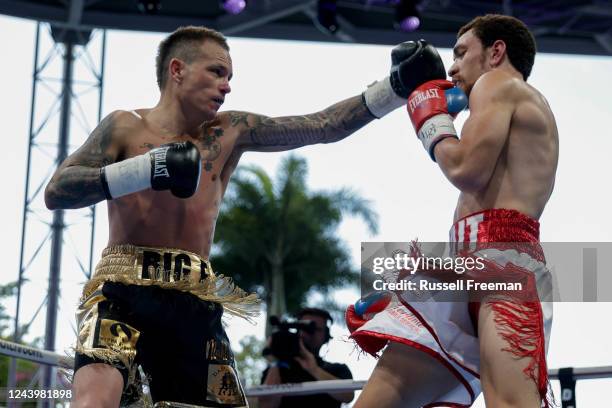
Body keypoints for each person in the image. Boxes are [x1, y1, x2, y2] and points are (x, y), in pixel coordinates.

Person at [44, 25, 447, 407]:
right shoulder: (124, 127)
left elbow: (322, 125)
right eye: (217, 72)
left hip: (194, 299)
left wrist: (394, 88)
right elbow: (57, 190)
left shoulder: (229, 131)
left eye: (230, 75)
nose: (227, 85)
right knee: (95, 399)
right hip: (121, 289)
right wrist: (146, 169)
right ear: (177, 70)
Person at [347, 14, 558, 408]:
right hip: (473, 264)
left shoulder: (499, 83)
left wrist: (432, 119)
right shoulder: (504, 100)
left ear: (496, 52)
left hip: (504, 267)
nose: (453, 67)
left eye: (461, 53)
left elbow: (466, 170)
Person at [260, 308, 353, 408]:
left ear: (326, 336)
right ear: (298, 331)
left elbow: (348, 396)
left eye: (317, 329)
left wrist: (314, 369)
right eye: (305, 327)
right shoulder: (278, 369)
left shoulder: (337, 369)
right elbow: (267, 405)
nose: (310, 333)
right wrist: (275, 362)